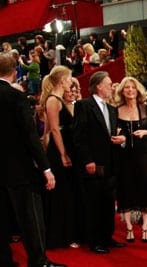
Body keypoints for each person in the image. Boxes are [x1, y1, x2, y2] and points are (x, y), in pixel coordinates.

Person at [0, 54, 67, 267]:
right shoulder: (15, 97)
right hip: (19, 168)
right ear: (14, 72)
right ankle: (38, 260)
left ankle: (3, 260)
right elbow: (30, 136)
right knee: (30, 215)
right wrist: (46, 167)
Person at [73, 71, 126, 254]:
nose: (112, 87)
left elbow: (113, 133)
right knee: (94, 202)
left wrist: (122, 139)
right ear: (98, 86)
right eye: (109, 84)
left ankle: (107, 236)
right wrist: (88, 160)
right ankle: (94, 240)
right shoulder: (83, 106)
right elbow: (79, 137)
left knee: (108, 201)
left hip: (111, 163)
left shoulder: (112, 109)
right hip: (94, 163)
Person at [114, 77, 147, 243]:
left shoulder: (145, 109)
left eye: (133, 88)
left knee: (146, 187)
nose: (130, 90)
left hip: (143, 154)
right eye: (127, 88)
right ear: (122, 91)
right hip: (124, 156)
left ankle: (145, 228)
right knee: (126, 189)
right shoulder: (116, 110)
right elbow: (112, 133)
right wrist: (121, 139)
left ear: (137, 91)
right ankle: (129, 228)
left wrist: (146, 133)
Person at [40, 66, 82, 249]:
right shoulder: (53, 100)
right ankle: (59, 236)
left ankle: (68, 233)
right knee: (61, 194)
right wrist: (63, 154)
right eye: (69, 78)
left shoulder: (58, 100)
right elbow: (53, 129)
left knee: (68, 193)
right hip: (59, 151)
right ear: (61, 80)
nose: (71, 82)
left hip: (64, 147)